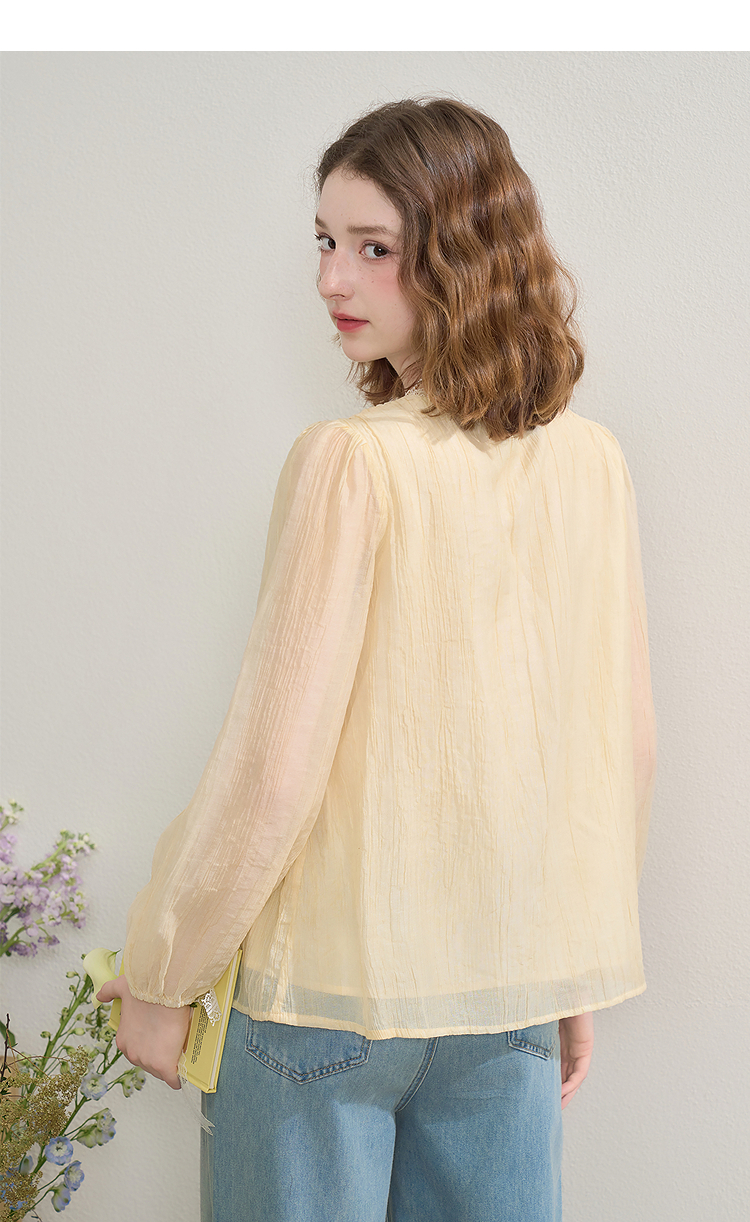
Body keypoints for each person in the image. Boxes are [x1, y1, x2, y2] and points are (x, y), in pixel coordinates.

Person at [99, 97, 657, 1222]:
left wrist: (163, 972)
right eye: (324, 241)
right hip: (503, 992)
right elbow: (620, 748)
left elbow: (274, 769)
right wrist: (566, 966)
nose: (330, 280)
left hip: (320, 1004)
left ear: (461, 257)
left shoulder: (350, 462)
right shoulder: (592, 462)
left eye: (373, 248)